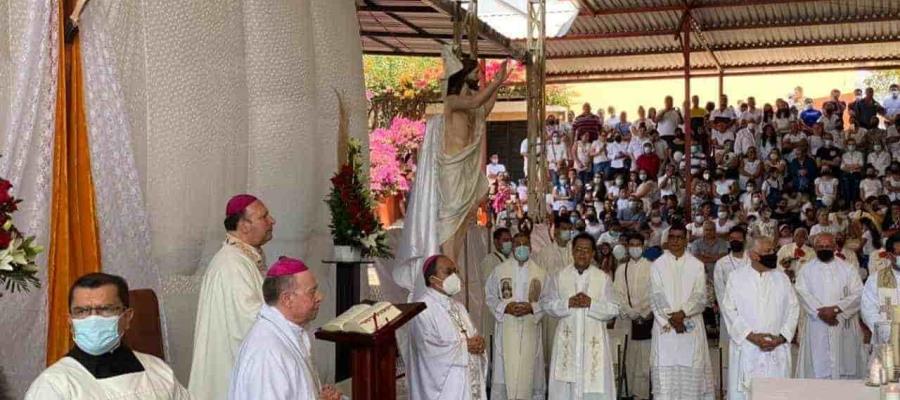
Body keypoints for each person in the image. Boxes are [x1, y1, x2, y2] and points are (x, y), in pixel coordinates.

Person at [25, 273, 189, 399]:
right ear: (70, 320)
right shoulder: (54, 385)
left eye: (105, 309)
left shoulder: (158, 371)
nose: (93, 318)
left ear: (127, 317)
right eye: (82, 311)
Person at [190, 194, 275, 400]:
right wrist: (288, 313)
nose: (272, 221)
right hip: (231, 371)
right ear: (244, 226)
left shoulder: (240, 258)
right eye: (264, 217)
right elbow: (249, 321)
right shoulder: (232, 265)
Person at [228, 257, 339, 400]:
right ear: (287, 299)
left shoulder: (288, 332)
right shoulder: (267, 352)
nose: (320, 297)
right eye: (312, 292)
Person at [540, 233, 619, 399]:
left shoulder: (602, 278)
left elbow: (614, 309)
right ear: (572, 252)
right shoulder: (559, 276)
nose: (582, 254)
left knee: (594, 386)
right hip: (568, 343)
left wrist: (591, 304)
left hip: (593, 344)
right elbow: (546, 304)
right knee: (565, 388)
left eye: (587, 250)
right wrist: (567, 303)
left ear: (592, 253)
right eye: (578, 250)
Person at [719, 237, 799, 400]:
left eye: (773, 250)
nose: (773, 254)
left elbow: (793, 308)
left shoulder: (782, 278)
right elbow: (729, 310)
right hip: (747, 347)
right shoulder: (736, 277)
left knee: (777, 394)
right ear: (753, 255)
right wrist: (751, 336)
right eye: (767, 251)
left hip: (776, 348)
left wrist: (782, 337)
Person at [649, 224, 715, 399]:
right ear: (667, 239)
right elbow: (656, 295)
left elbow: (700, 296)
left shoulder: (697, 265)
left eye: (679, 237)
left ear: (686, 240)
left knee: (691, 382)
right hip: (666, 329)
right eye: (672, 237)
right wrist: (671, 319)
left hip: (690, 327)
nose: (675, 241)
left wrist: (683, 314)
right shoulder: (657, 265)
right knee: (665, 381)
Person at [409, 255, 487, 400]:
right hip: (448, 388)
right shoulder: (422, 308)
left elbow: (472, 334)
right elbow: (428, 348)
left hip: (468, 382)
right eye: (448, 272)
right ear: (432, 279)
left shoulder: (459, 307)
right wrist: (465, 347)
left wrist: (479, 343)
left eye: (455, 271)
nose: (454, 276)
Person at [485, 233, 547, 400]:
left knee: (530, 371)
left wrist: (532, 308)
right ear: (512, 247)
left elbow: (547, 300)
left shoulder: (540, 273)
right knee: (505, 371)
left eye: (525, 243)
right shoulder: (499, 271)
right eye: (518, 243)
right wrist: (505, 307)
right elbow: (490, 297)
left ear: (530, 247)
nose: (521, 247)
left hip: (530, 328)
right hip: (507, 327)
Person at [795, 233, 865, 379]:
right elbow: (802, 293)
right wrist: (821, 313)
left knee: (845, 364)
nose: (824, 249)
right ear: (814, 248)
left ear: (834, 247)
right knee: (818, 365)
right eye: (820, 246)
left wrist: (836, 309)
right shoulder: (806, 269)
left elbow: (858, 293)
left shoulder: (848, 268)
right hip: (817, 324)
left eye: (827, 246)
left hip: (842, 322)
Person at [613, 233, 653, 400]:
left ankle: (643, 394)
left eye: (638, 244)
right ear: (627, 247)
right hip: (627, 320)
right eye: (632, 245)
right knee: (627, 358)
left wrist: (643, 313)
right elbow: (618, 293)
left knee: (645, 360)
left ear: (643, 246)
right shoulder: (622, 269)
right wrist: (630, 312)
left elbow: (654, 293)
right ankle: (627, 392)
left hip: (647, 320)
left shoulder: (652, 267)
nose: (635, 248)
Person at [713, 227, 751, 354]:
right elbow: (720, 290)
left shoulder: (753, 261)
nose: (735, 241)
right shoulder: (721, 263)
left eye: (738, 238)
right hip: (729, 314)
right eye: (732, 239)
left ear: (744, 240)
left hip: (751, 311)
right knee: (730, 352)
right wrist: (730, 312)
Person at [861, 233, 900, 345]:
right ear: (889, 255)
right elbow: (868, 311)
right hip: (886, 340)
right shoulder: (875, 279)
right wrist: (891, 333)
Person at [480, 228, 513, 341]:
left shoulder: (512, 260)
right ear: (496, 242)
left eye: (510, 240)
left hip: (509, 310)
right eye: (505, 240)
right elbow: (489, 287)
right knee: (494, 339)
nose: (509, 243)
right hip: (494, 309)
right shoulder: (490, 261)